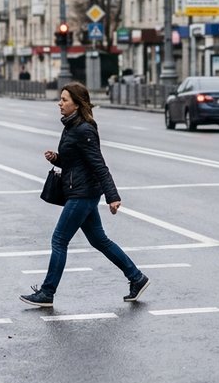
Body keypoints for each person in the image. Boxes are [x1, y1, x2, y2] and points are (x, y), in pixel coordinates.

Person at [21, 82, 149, 307]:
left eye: (64, 100)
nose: (59, 104)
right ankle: (136, 278)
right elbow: (75, 161)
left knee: (59, 240)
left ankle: (47, 292)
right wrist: (57, 159)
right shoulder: (71, 126)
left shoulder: (84, 130)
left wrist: (113, 196)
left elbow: (99, 165)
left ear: (77, 104)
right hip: (80, 191)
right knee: (100, 240)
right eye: (60, 99)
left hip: (83, 194)